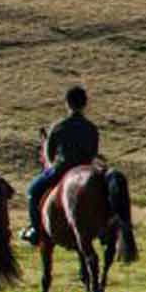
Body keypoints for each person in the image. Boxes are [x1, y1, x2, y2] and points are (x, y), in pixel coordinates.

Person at [22, 86, 101, 244]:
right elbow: (93, 152)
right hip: (86, 169)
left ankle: (36, 231)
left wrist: (54, 164)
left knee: (32, 191)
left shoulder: (59, 126)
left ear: (67, 103)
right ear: (85, 104)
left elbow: (50, 155)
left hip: (62, 169)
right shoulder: (92, 128)